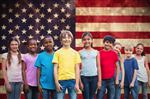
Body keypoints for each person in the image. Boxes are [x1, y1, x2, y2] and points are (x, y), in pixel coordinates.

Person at [52, 30, 81, 99]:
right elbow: (55, 69)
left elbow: (77, 69)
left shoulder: (75, 53)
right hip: (61, 80)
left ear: (71, 39)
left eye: (68, 37)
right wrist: (56, 83)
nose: (66, 39)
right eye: (64, 38)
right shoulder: (57, 53)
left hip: (72, 80)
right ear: (61, 40)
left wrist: (77, 83)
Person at [79, 32, 101, 99]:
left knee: (92, 96)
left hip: (94, 77)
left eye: (88, 39)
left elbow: (98, 66)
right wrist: (80, 82)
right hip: (84, 77)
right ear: (82, 41)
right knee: (86, 97)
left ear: (92, 40)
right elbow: (77, 69)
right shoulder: (79, 52)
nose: (87, 41)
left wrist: (99, 81)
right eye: (84, 39)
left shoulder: (96, 52)